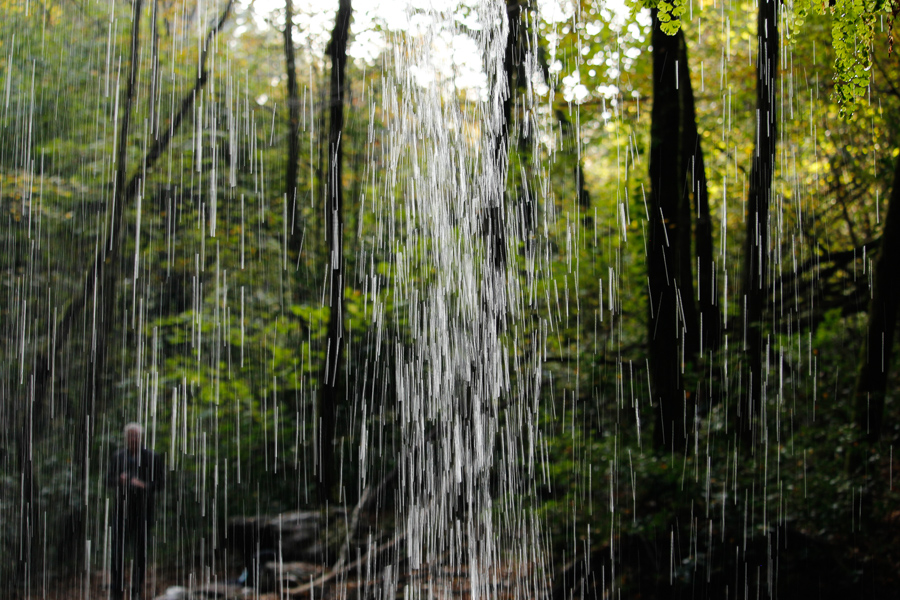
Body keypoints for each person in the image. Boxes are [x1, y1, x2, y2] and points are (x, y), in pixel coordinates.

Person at [107, 423, 165, 600]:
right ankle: (117, 589)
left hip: (143, 510)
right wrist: (120, 479)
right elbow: (108, 480)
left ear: (141, 438)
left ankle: (136, 589)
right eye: (130, 436)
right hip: (122, 510)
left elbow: (160, 484)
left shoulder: (152, 457)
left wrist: (143, 485)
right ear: (126, 438)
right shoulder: (118, 456)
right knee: (117, 550)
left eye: (136, 436)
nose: (133, 439)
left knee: (140, 551)